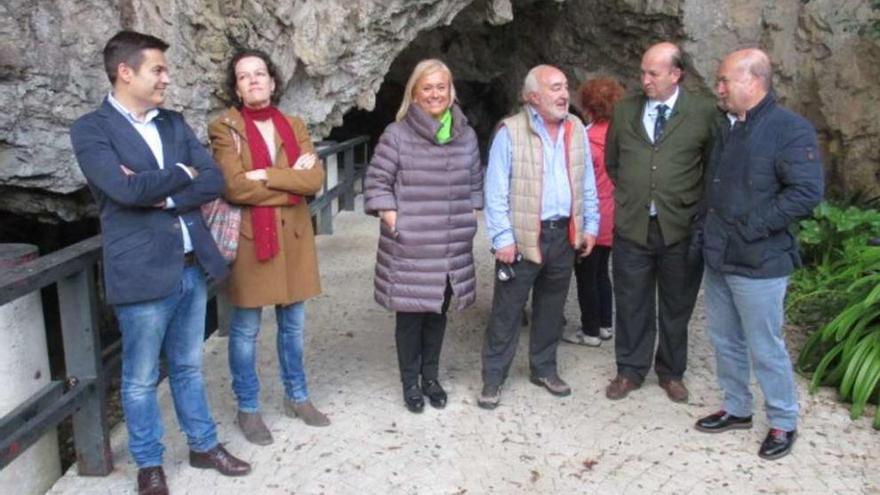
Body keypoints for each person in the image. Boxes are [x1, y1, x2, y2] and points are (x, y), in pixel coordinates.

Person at [70, 31, 250, 495]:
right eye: (158, 69)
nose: (166, 78)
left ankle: (203, 445)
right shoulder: (90, 129)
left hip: (192, 263)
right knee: (140, 377)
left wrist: (162, 190)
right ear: (125, 72)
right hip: (142, 269)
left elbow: (212, 180)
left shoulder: (172, 122)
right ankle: (150, 465)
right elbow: (123, 191)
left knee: (188, 365)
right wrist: (179, 176)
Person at [694, 48, 823, 460]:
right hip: (719, 255)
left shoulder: (790, 129)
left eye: (725, 80)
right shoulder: (728, 126)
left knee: (765, 345)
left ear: (753, 81)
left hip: (760, 261)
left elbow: (806, 192)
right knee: (725, 339)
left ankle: (783, 421)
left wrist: (751, 226)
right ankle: (737, 408)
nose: (719, 88)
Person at [208, 49, 329, 445]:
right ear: (237, 88)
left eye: (260, 73)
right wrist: (288, 183)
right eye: (244, 76)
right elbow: (234, 186)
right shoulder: (224, 127)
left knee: (292, 326)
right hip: (250, 243)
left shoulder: (293, 125)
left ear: (274, 82)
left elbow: (314, 182)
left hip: (293, 240)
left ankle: (298, 397)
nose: (254, 80)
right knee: (244, 330)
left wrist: (266, 175)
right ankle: (248, 408)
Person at [364, 59, 483, 413]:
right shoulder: (396, 134)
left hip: (449, 245)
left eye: (441, 87)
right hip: (410, 245)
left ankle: (431, 378)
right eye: (427, 87)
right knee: (410, 316)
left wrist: (470, 214)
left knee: (437, 313)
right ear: (414, 93)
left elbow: (475, 183)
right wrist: (395, 220)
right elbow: (377, 183)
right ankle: (410, 383)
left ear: (451, 91)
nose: (435, 94)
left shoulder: (466, 135)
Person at [478, 64, 599, 409]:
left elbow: (586, 181)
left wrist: (590, 225)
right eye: (555, 88)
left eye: (565, 87)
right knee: (507, 311)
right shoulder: (510, 132)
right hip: (522, 237)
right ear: (533, 97)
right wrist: (502, 238)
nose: (564, 95)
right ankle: (493, 378)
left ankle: (543, 369)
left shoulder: (575, 127)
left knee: (551, 308)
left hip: (563, 235)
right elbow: (496, 190)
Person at [604, 42, 720, 403]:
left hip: (680, 227)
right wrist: (634, 196)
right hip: (633, 225)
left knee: (677, 304)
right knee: (630, 301)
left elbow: (713, 166)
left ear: (676, 74)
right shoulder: (625, 110)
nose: (645, 80)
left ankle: (671, 372)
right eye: (643, 72)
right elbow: (613, 163)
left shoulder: (703, 111)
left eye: (653, 73)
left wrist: (693, 208)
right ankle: (629, 370)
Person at [563, 77, 625, 347]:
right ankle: (605, 324)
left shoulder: (587, 140)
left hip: (591, 216)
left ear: (587, 106)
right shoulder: (623, 136)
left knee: (586, 274)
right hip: (615, 214)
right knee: (602, 271)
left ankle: (589, 331)